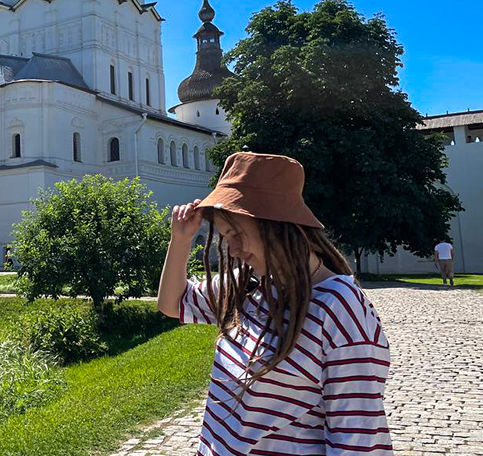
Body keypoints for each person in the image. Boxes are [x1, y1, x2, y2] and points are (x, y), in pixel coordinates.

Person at [158, 152, 392, 455]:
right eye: (227, 237)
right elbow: (172, 303)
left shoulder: (339, 309)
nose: (234, 250)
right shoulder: (249, 284)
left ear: (276, 224)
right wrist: (180, 239)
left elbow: (358, 441)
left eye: (237, 234)